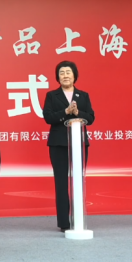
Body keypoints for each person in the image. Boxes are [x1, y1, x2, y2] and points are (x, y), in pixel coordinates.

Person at [42, 61, 95, 232]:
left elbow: (91, 118)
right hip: (58, 144)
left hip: (79, 143)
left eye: (68, 72)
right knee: (61, 183)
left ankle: (78, 218)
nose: (65, 75)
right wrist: (66, 112)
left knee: (78, 181)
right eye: (62, 73)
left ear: (74, 75)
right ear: (58, 77)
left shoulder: (83, 95)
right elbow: (48, 117)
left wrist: (77, 112)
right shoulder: (52, 95)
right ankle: (64, 222)